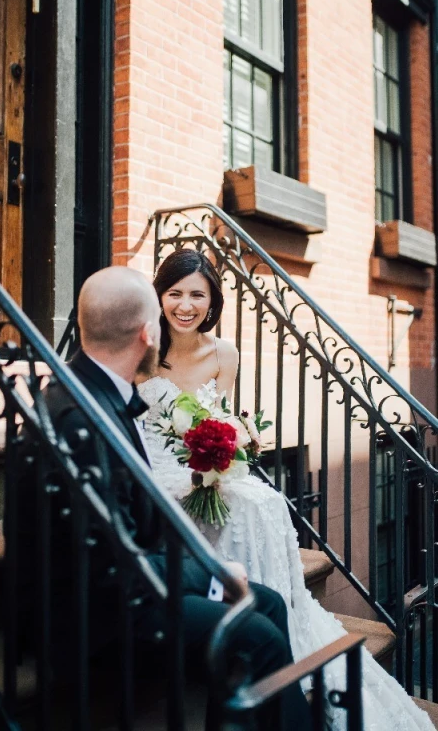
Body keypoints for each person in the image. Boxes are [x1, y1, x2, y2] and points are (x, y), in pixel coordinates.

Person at [138, 248, 434, 731]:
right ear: (160, 297)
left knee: (266, 499)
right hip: (158, 467)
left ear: (212, 300)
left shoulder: (224, 353)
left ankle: (272, 618)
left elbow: (221, 417)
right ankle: (240, 616)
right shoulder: (147, 351)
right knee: (248, 506)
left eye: (197, 294)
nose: (185, 305)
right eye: (175, 294)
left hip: (202, 463)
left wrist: (236, 438)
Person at [16, 266, 311, 731]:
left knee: (269, 603)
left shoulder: (92, 390)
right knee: (256, 633)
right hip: (93, 615)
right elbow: (113, 562)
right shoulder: (81, 419)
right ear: (148, 332)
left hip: (117, 583)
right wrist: (213, 574)